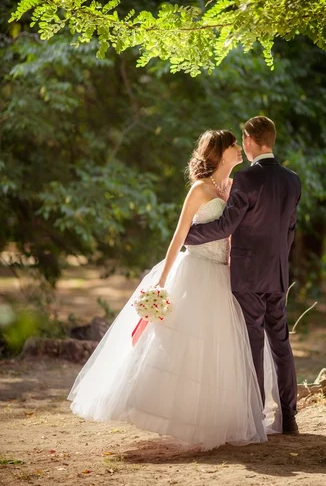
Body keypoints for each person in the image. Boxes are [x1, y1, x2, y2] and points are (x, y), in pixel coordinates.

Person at [67, 129, 282, 451]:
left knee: (220, 352)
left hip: (224, 277)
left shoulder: (233, 188)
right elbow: (180, 235)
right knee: (177, 347)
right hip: (194, 272)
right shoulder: (199, 189)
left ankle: (215, 420)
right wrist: (161, 282)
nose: (240, 147)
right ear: (221, 152)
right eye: (234, 144)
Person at [185, 117, 301, 434]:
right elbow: (289, 231)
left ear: (249, 140)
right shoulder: (293, 181)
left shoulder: (247, 179)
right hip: (277, 272)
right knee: (281, 343)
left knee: (252, 342)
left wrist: (186, 236)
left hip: (248, 274)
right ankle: (289, 417)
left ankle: (255, 416)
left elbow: (225, 227)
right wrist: (278, 262)